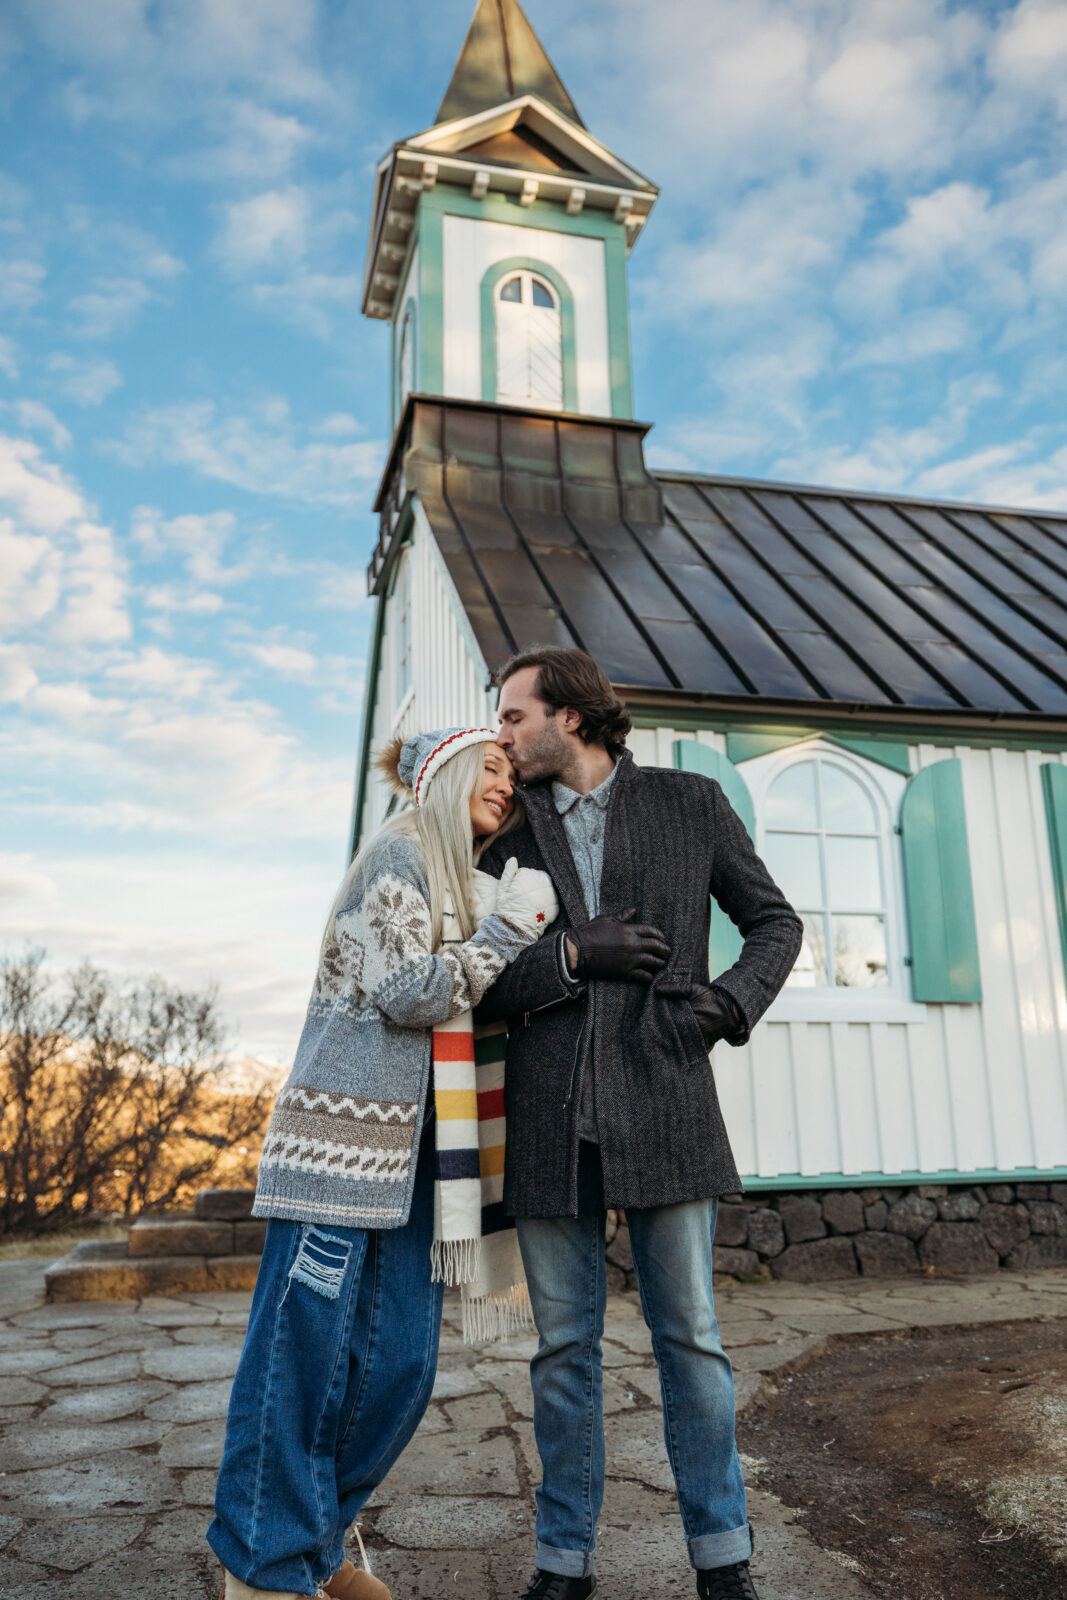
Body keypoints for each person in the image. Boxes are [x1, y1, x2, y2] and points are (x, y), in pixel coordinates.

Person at [476, 649, 804, 1600]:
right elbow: (478, 980)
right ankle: (563, 1563)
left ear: (569, 716)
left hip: (665, 1098)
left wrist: (725, 1004)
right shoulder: (504, 834)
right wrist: (570, 957)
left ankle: (723, 1560)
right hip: (546, 1114)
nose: (501, 736)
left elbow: (775, 923)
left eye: (512, 716)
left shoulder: (690, 802)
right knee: (562, 1351)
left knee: (691, 1338)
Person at [208, 728, 558, 1600]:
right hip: (341, 1155)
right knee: (303, 1367)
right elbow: (411, 993)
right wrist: (509, 933)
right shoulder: (394, 861)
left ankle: (314, 1548)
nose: (505, 783)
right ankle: (260, 1570)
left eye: (512, 773)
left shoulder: (460, 890)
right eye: (488, 766)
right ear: (435, 783)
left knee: (397, 1369)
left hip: (421, 1168)